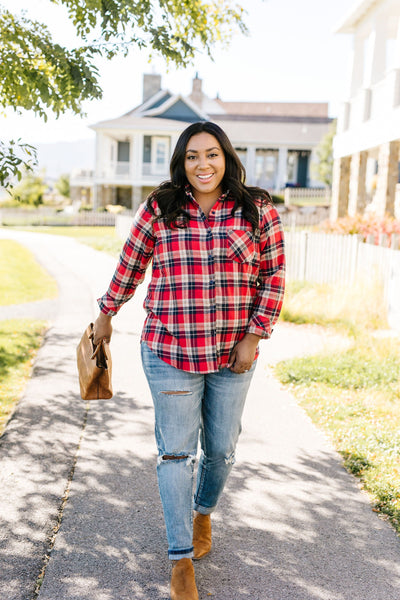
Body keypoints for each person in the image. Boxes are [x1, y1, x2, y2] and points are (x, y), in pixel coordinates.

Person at [93, 121, 285, 600]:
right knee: (175, 454)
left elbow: (274, 277)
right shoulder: (160, 208)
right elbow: (130, 264)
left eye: (213, 154)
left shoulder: (256, 208)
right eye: (193, 156)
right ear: (181, 161)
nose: (204, 164)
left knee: (220, 449)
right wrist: (105, 313)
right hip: (170, 350)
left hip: (232, 354)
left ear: (227, 158)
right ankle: (180, 559)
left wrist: (254, 336)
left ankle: (203, 513)